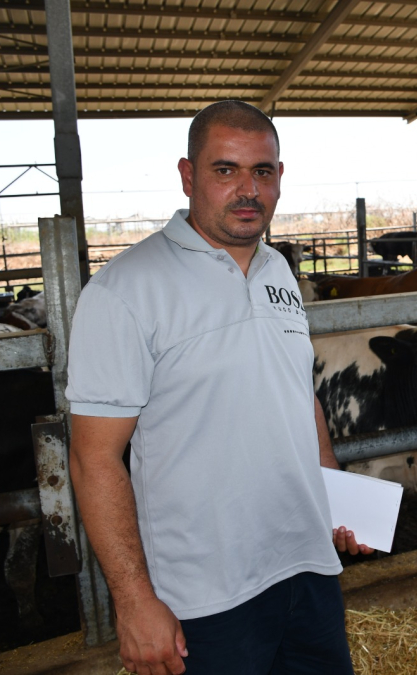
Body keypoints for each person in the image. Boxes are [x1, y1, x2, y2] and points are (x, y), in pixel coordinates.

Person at [67, 100, 372, 675]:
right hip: (204, 595)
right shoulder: (124, 291)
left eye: (262, 171)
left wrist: (335, 496)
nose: (247, 190)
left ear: (280, 177)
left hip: (307, 566)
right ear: (188, 176)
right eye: (225, 170)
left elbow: (296, 390)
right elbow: (93, 458)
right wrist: (134, 600)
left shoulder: (278, 270)